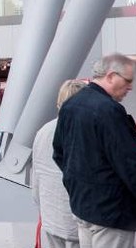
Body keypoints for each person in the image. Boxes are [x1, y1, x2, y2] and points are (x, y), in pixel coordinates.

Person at [54, 54, 136, 244]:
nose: (131, 86)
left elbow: (59, 152)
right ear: (110, 76)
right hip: (112, 212)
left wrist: (80, 184)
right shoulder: (110, 111)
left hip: (83, 207)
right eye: (128, 80)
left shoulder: (71, 106)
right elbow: (130, 166)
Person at [31, 79, 88, 248]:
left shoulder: (43, 132)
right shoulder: (85, 131)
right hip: (80, 219)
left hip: (51, 216)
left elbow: (37, 177)